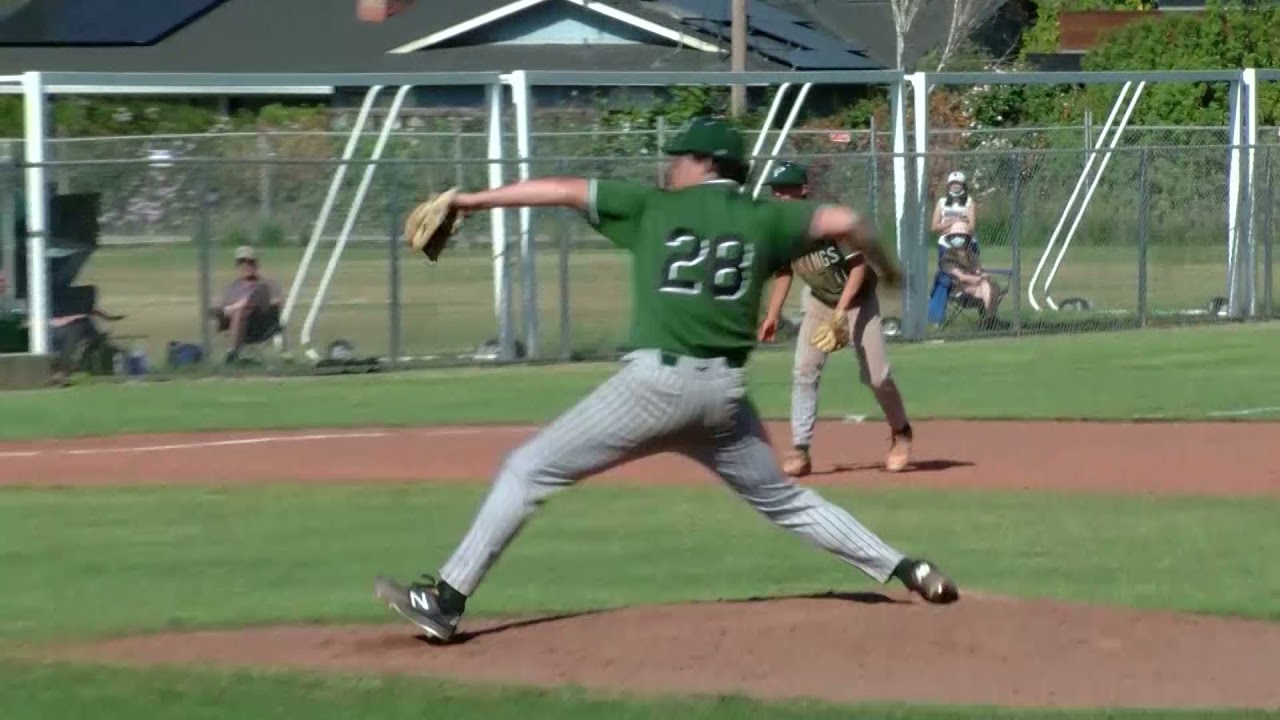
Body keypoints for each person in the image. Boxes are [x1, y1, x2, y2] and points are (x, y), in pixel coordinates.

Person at [374, 117, 959, 644]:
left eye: (679, 157)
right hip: (723, 399)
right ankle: (910, 568)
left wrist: (474, 201)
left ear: (704, 163)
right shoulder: (765, 216)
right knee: (786, 501)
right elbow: (852, 221)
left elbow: (561, 189)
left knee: (528, 469)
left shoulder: (652, 207)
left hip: (654, 387)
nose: (669, 165)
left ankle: (446, 601)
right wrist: (885, 267)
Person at [757, 162, 913, 477]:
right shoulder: (780, 230)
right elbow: (785, 271)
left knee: (877, 377)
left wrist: (841, 313)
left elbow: (859, 268)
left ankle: (901, 432)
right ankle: (800, 449)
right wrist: (772, 315)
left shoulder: (827, 224)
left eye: (787, 189)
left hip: (858, 301)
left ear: (803, 190)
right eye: (776, 190)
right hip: (817, 302)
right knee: (804, 371)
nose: (781, 195)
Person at [213, 245, 282, 362]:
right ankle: (212, 353)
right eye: (242, 262)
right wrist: (229, 309)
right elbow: (221, 307)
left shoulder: (266, 284)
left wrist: (246, 304)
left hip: (260, 324)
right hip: (236, 323)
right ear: (237, 265)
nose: (246, 265)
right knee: (223, 310)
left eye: (250, 262)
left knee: (257, 292)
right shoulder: (232, 287)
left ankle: (233, 352)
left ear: (256, 264)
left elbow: (277, 302)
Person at [938, 220, 1005, 325]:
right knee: (987, 286)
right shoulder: (947, 258)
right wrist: (980, 278)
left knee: (992, 287)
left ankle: (988, 319)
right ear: (950, 239)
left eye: (961, 236)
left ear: (966, 239)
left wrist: (981, 276)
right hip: (960, 291)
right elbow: (961, 277)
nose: (958, 239)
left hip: (976, 288)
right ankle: (990, 319)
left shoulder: (971, 255)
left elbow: (977, 270)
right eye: (955, 236)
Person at [931, 170, 975, 237]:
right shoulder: (942, 202)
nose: (955, 185)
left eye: (958, 183)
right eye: (952, 183)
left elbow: (971, 226)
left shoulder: (969, 201)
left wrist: (954, 230)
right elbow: (934, 227)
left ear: (963, 185)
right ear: (949, 185)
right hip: (946, 238)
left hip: (964, 237)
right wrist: (952, 223)